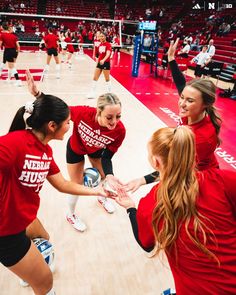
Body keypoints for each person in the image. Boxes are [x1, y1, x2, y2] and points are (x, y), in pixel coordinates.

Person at [0, 74, 109, 295]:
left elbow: (62, 184)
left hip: (23, 217)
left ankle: (26, 273)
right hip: (5, 232)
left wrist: (97, 190)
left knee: (44, 239)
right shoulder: (14, 143)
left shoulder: (45, 151)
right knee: (46, 283)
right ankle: (32, 277)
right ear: (52, 126)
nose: (70, 125)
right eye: (68, 122)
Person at [115, 126, 236, 294]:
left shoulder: (151, 204)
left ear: (155, 162)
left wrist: (130, 208)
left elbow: (146, 244)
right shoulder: (224, 180)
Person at [26, 72, 126, 232]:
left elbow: (107, 156)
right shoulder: (83, 113)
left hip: (96, 152)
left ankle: (101, 196)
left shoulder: (120, 131)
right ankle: (70, 214)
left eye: (118, 116)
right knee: (76, 184)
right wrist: (37, 94)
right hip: (76, 149)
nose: (114, 122)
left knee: (104, 178)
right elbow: (56, 109)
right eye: (109, 117)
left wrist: (109, 174)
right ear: (98, 112)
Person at [125, 38, 221, 192]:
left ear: (205, 105)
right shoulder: (193, 111)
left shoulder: (201, 139)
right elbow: (181, 85)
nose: (181, 104)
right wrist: (171, 59)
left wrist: (142, 180)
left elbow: (176, 169)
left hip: (200, 181)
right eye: (182, 98)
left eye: (189, 100)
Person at [87, 31, 112, 99]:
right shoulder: (100, 44)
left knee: (107, 79)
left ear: (105, 37)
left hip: (105, 63)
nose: (101, 37)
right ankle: (92, 93)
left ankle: (110, 94)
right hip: (99, 63)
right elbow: (99, 54)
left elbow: (108, 54)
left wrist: (103, 60)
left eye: (102, 36)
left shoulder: (108, 44)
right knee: (95, 78)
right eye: (100, 36)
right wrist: (97, 61)